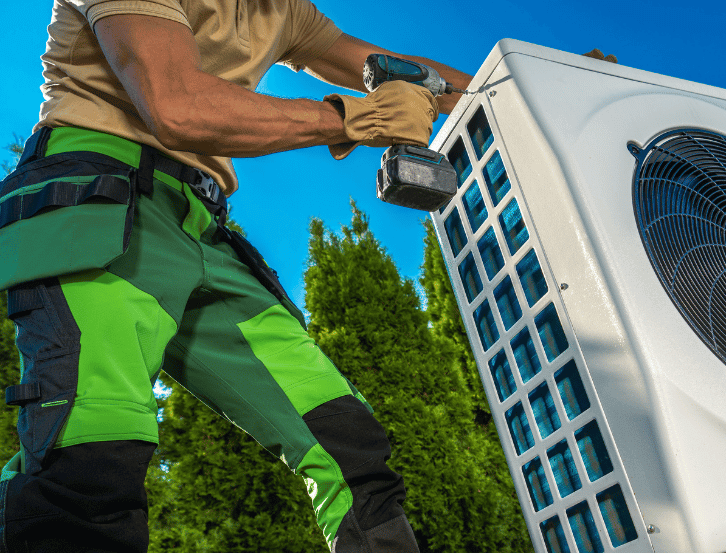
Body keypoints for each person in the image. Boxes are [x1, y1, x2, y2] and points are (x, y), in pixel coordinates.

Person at [0, 0, 471, 551]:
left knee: (346, 443)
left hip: (204, 225)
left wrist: (529, 79)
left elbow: (399, 68)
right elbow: (176, 106)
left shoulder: (285, 11)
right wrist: (352, 118)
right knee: (93, 448)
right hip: (100, 197)